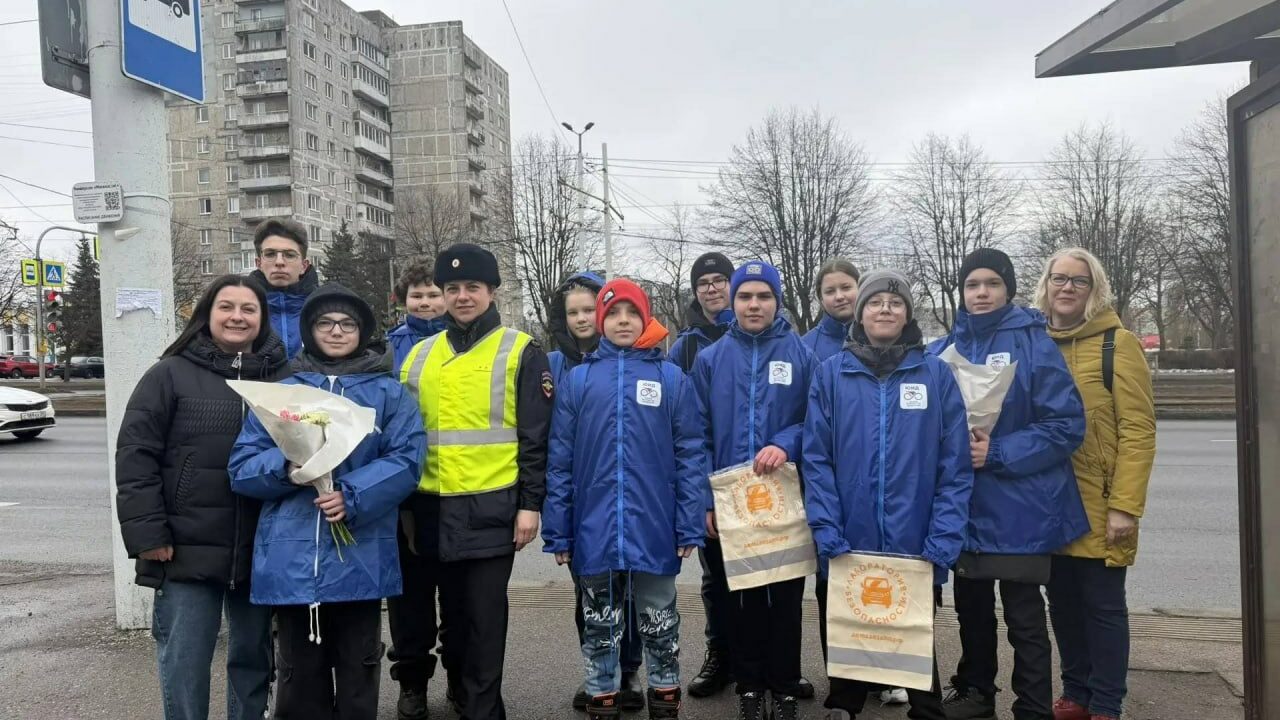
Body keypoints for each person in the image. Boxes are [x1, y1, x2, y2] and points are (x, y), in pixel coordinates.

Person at [229, 284, 426, 720]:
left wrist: (352, 496)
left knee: (359, 671)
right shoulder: (284, 392)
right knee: (299, 677)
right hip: (293, 560)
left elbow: (407, 458)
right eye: (325, 322)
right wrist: (289, 466)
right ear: (309, 329)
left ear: (363, 331)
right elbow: (242, 467)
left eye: (348, 323)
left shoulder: (389, 393)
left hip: (360, 553)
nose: (336, 331)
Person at [115, 275, 290, 720]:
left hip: (260, 549)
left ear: (262, 319)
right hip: (184, 547)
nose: (237, 316)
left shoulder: (283, 379)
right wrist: (148, 534)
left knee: (254, 659)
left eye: (248, 309)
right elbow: (136, 458)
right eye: (226, 307)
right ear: (206, 316)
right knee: (185, 661)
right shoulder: (168, 375)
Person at [803, 269, 974, 720]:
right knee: (848, 629)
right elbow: (816, 459)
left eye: (895, 303)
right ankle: (845, 704)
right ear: (860, 313)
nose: (885, 309)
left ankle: (926, 707)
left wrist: (943, 538)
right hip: (848, 537)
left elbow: (953, 467)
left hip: (915, 539)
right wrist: (826, 526)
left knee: (914, 632)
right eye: (876, 302)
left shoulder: (936, 376)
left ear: (907, 315)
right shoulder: (830, 375)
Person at [927, 248, 1087, 720]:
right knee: (971, 610)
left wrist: (994, 452)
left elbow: (1065, 426)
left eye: (991, 284)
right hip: (965, 507)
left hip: (1021, 508)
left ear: (1007, 289)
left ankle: (1032, 706)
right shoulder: (942, 350)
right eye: (972, 284)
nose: (981, 293)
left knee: (1023, 617)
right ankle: (976, 691)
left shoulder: (1034, 343)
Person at [398, 243, 554, 720]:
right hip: (426, 507)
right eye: (452, 289)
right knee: (449, 618)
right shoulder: (418, 356)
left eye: (472, 287)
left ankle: (484, 708)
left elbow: (536, 437)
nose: (462, 296)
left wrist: (531, 505)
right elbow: (401, 433)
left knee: (484, 620)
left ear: (491, 291)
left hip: (491, 507)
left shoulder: (521, 350)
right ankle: (459, 690)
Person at [543, 278, 705, 720]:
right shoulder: (578, 381)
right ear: (600, 320)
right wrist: (558, 528)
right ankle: (602, 697)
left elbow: (691, 453)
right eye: (613, 314)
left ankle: (665, 699)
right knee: (600, 622)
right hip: (594, 525)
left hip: (653, 522)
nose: (623, 321)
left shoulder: (670, 378)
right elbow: (560, 459)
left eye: (632, 313)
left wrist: (689, 520)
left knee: (658, 619)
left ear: (645, 318)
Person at [1034, 249, 1156, 720]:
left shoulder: (1116, 344)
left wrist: (1126, 506)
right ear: (1045, 285)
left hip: (1100, 502)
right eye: (1059, 278)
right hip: (1047, 503)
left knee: (1103, 607)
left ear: (1094, 289)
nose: (1067, 288)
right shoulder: (1035, 343)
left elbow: (1139, 430)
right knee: (1061, 604)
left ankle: (1106, 703)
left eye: (1079, 281)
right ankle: (1076, 693)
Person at [693, 260, 816, 720]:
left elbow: (818, 422)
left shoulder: (802, 356)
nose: (754, 304)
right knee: (739, 597)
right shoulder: (710, 360)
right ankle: (749, 685)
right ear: (734, 301)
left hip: (784, 499)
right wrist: (707, 501)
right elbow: (697, 432)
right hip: (731, 502)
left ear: (777, 301)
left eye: (763, 296)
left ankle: (783, 686)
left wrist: (784, 444)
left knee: (784, 597)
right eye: (746, 296)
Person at [544, 270, 647, 712]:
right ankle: (597, 671)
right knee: (591, 594)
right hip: (582, 499)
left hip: (628, 495)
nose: (583, 318)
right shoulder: (552, 365)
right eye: (573, 312)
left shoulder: (637, 359)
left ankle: (629, 672)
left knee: (632, 589)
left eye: (590, 309)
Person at [248, 218, 319, 359]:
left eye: (289, 255)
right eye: (270, 254)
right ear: (259, 263)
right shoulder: (239, 311)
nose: (279, 262)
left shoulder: (324, 309)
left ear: (304, 265)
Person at [387, 261, 448, 374]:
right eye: (417, 296)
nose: (424, 303)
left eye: (433, 295)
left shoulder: (466, 339)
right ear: (404, 299)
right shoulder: (390, 345)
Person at [802, 259, 861, 362]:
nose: (839, 297)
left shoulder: (880, 338)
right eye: (830, 291)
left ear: (860, 289)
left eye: (846, 288)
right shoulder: (804, 347)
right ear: (821, 300)